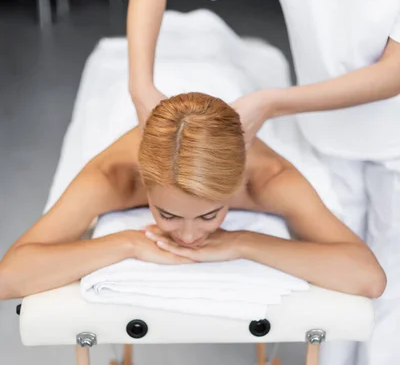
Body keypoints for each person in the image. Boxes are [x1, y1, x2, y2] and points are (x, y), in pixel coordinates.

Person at [126, 0, 400, 365]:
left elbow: (395, 70)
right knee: (331, 280)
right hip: (326, 132)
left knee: (389, 287)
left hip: (395, 134)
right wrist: (141, 88)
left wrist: (272, 102)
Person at [0, 92, 384, 309]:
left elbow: (368, 277)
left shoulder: (270, 180)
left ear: (236, 186)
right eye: (166, 214)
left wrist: (242, 242)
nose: (187, 236)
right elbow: (9, 278)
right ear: (144, 185)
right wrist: (128, 243)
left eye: (209, 215)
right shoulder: (112, 177)